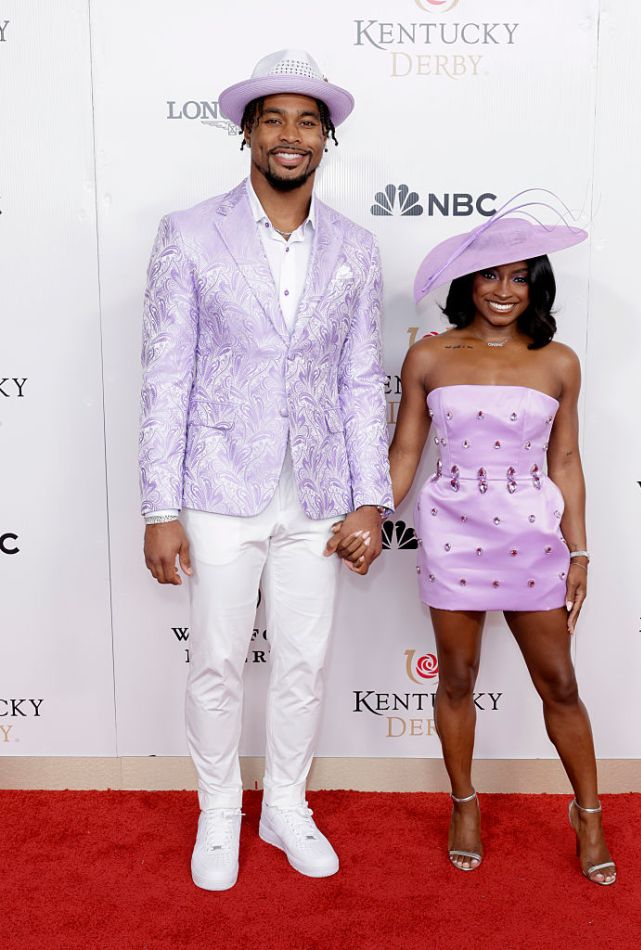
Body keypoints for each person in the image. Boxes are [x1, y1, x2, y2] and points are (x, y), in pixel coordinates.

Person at [139, 49, 392, 890]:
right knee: (215, 660)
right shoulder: (188, 234)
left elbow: (361, 379)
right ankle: (219, 810)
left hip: (318, 493)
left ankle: (285, 805)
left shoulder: (356, 248)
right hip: (217, 485)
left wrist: (370, 498)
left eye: (307, 121)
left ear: (326, 139)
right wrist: (158, 508)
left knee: (303, 661)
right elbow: (166, 375)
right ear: (247, 133)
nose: (291, 135)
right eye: (274, 119)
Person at [357, 207, 616, 883]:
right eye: (490, 276)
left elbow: (566, 462)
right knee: (457, 677)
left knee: (560, 683)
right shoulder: (429, 355)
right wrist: (371, 516)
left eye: (520, 277)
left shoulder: (558, 361)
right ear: (467, 282)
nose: (504, 290)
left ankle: (588, 813)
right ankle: (464, 803)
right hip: (453, 533)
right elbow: (405, 453)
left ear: (537, 285)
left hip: (533, 537)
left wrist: (579, 552)